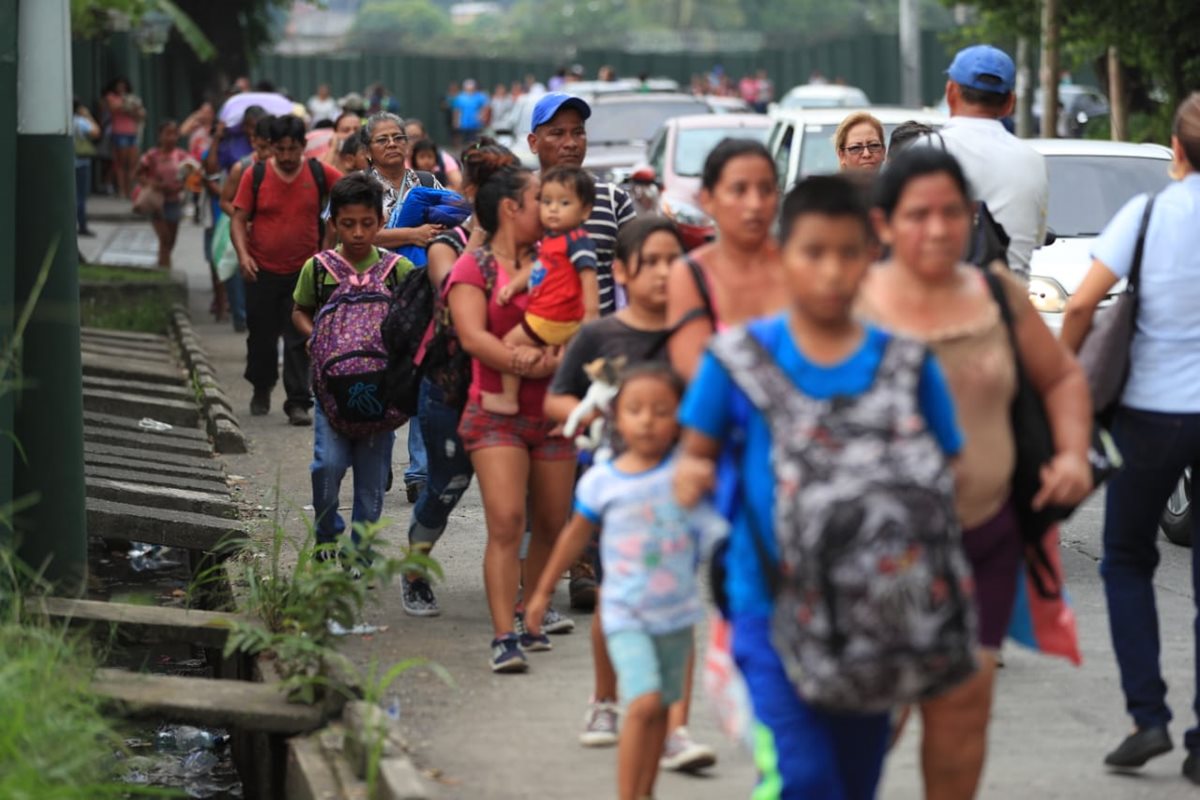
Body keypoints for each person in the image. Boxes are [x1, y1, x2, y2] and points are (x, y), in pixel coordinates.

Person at [676, 173, 967, 799]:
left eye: (847, 252)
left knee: (856, 781)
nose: (832, 271)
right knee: (804, 779)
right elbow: (695, 454)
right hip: (768, 607)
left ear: (871, 256)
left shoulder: (906, 364)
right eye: (814, 253)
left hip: (876, 614)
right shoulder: (738, 360)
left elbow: (951, 469)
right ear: (785, 257)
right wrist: (690, 483)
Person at [858, 147, 1092, 799]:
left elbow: (1064, 377)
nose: (937, 229)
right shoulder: (849, 307)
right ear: (883, 224)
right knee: (870, 720)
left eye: (951, 213)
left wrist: (1073, 454)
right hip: (873, 555)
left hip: (982, 540)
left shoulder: (998, 295)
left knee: (961, 717)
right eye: (918, 214)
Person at [1059, 93, 1200, 780]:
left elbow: (1083, 301)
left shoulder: (1146, 214)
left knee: (1124, 557)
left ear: (1176, 150)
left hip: (1150, 417)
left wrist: (1065, 377)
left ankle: (1148, 717)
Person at [546, 219, 720, 768]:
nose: (667, 273)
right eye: (653, 261)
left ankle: (677, 727)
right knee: (617, 594)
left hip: (680, 489)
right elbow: (559, 400)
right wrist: (595, 415)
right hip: (616, 489)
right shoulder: (600, 336)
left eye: (677, 260)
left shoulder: (695, 333)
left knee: (679, 601)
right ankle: (604, 701)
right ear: (621, 271)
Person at [529, 365, 716, 800]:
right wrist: (540, 592)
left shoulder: (687, 477)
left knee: (657, 711)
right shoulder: (602, 481)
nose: (647, 420)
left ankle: (644, 790)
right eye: (635, 409)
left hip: (676, 617)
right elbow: (573, 536)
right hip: (624, 614)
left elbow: (717, 533)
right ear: (616, 418)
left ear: (681, 418)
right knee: (646, 702)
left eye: (661, 410)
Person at [446, 165, 578, 672]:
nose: (548, 210)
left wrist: (554, 362)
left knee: (550, 522)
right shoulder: (472, 268)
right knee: (506, 522)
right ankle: (504, 636)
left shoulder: (558, 260)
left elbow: (579, 321)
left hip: (553, 411)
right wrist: (521, 360)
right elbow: (472, 337)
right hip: (493, 415)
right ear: (510, 209)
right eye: (537, 200)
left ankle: (531, 612)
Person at [527, 91, 636, 610]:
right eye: (558, 133)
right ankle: (542, 561)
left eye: (578, 132)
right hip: (536, 351)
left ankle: (586, 566)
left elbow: (631, 275)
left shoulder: (614, 201)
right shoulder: (522, 201)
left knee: (597, 455)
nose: (571, 143)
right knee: (545, 459)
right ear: (533, 142)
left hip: (602, 356)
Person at [401, 141, 517, 618]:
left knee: (516, 497)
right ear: (470, 190)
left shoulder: (528, 245)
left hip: (509, 393)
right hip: (450, 390)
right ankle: (413, 573)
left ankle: (523, 595)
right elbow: (450, 290)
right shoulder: (447, 243)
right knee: (446, 488)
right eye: (489, 185)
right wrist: (479, 234)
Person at [292, 173, 412, 551]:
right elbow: (300, 310)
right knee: (327, 466)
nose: (358, 233)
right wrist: (313, 335)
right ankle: (327, 536)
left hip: (383, 394)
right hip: (330, 392)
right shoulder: (319, 269)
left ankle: (360, 552)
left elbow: (414, 318)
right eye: (348, 224)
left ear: (380, 222)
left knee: (372, 479)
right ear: (333, 224)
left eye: (366, 223)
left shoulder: (398, 271)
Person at [231, 114, 343, 425]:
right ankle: (262, 386)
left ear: (303, 146)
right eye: (280, 149)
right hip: (261, 269)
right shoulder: (254, 175)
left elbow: (349, 192)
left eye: (292, 149)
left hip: (303, 271)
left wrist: (329, 241)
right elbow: (238, 219)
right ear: (271, 148)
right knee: (261, 337)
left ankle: (297, 402)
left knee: (298, 339)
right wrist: (243, 256)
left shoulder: (319, 172)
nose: (286, 156)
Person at [363, 111, 446, 502]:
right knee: (382, 378)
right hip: (373, 294)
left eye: (398, 137)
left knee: (423, 375)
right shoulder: (357, 187)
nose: (393, 144)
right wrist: (412, 233)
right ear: (368, 150)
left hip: (421, 294)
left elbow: (449, 224)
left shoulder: (427, 182)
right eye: (383, 139)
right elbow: (355, 237)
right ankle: (377, 466)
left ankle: (420, 471)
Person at [666, 138, 788, 381]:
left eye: (766, 190)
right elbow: (694, 374)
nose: (755, 204)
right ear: (707, 199)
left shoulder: (798, 266)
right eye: (738, 190)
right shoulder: (690, 275)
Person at [486, 165, 598, 415]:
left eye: (564, 202)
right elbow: (539, 267)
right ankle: (563, 418)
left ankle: (508, 398)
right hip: (554, 317)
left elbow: (588, 276)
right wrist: (515, 285)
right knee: (566, 371)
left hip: (551, 316)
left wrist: (591, 316)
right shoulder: (552, 239)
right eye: (546, 202)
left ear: (586, 210)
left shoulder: (577, 240)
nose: (553, 209)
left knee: (509, 343)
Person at [939, 44, 1048, 278]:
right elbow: (1035, 239)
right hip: (1012, 306)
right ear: (1010, 103)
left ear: (950, 93)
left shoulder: (926, 152)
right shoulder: (1034, 162)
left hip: (943, 307)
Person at [217, 115, 275, 332]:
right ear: (253, 142)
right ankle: (243, 318)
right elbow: (225, 200)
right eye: (262, 147)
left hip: (272, 241)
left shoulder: (286, 168)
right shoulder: (242, 168)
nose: (266, 154)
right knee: (241, 275)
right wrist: (243, 219)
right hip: (247, 233)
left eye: (270, 147)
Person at [136, 120, 191, 269]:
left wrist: (181, 186)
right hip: (157, 202)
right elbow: (139, 174)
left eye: (174, 134)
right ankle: (165, 269)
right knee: (164, 238)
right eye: (168, 134)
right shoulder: (152, 155)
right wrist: (154, 184)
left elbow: (190, 176)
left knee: (170, 240)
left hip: (174, 201)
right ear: (160, 136)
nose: (171, 138)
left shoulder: (181, 155)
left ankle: (162, 265)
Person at [103, 77, 145, 199]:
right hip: (119, 131)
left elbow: (140, 114)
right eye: (118, 86)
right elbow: (115, 108)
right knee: (120, 163)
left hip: (133, 132)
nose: (121, 88)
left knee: (132, 164)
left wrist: (132, 107)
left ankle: (130, 190)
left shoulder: (132, 98)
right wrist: (128, 104)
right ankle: (121, 190)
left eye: (123, 86)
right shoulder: (111, 97)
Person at [404, 119, 463, 190]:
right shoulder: (399, 161)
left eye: (416, 137)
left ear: (425, 137)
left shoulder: (442, 158)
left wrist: (439, 192)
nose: (413, 142)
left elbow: (459, 184)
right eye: (408, 138)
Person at [74, 98, 101, 237]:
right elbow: (96, 132)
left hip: (71, 162)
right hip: (81, 162)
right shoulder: (80, 121)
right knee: (80, 196)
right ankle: (82, 225)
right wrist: (88, 115)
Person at [452, 79, 490, 146]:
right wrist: (456, 121)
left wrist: (482, 116)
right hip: (464, 124)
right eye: (468, 88)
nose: (470, 89)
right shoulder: (460, 97)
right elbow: (457, 110)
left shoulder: (480, 96)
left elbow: (486, 107)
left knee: (476, 141)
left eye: (472, 88)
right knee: (465, 141)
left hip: (476, 123)